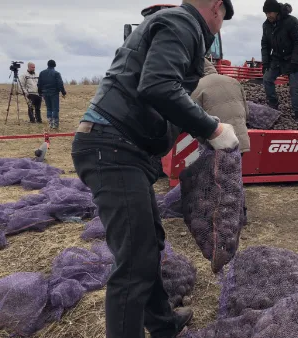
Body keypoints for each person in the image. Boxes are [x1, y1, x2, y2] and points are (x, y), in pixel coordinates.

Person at [70, 1, 236, 337]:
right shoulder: (183, 23)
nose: (219, 28)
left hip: (124, 151)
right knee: (134, 261)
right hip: (112, 149)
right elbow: (158, 86)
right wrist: (211, 129)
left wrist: (203, 121)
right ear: (217, 7)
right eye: (223, 20)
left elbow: (159, 89)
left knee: (150, 242)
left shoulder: (173, 24)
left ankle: (162, 323)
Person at [192, 57, 250, 216]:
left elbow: (192, 119)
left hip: (217, 141)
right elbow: (247, 112)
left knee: (216, 180)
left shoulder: (197, 87)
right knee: (234, 178)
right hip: (238, 138)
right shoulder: (233, 81)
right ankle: (240, 213)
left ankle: (220, 217)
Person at [261, 0, 298, 123]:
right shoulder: (266, 25)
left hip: (293, 59)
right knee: (267, 79)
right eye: (266, 13)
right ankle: (273, 106)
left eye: (270, 12)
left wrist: (295, 62)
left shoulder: (291, 21)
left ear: (276, 11)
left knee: (294, 87)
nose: (268, 15)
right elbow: (265, 45)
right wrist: (265, 63)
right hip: (277, 58)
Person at [37, 59, 66, 129]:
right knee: (55, 109)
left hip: (45, 93)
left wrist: (40, 92)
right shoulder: (56, 73)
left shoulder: (42, 73)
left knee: (49, 108)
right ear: (54, 65)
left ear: (47, 65)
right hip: (54, 93)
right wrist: (63, 92)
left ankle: (50, 123)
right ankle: (55, 125)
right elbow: (60, 84)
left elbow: (39, 84)